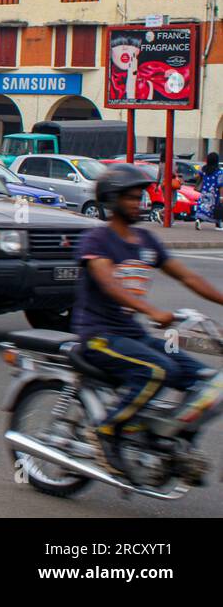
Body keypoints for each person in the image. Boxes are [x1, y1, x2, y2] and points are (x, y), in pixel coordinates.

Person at [74, 163, 223, 477]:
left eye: (139, 196)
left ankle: (172, 441)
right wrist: (151, 311)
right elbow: (108, 283)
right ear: (112, 201)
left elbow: (188, 277)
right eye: (129, 197)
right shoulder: (96, 240)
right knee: (156, 370)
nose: (137, 203)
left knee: (206, 381)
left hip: (131, 334)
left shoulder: (146, 241)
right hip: (98, 335)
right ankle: (107, 430)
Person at [195, 152, 222, 231]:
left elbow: (197, 176)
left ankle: (199, 220)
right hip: (214, 194)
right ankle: (218, 225)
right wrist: (221, 196)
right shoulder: (219, 172)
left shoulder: (204, 169)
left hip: (204, 192)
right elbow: (220, 185)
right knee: (216, 209)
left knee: (203, 207)